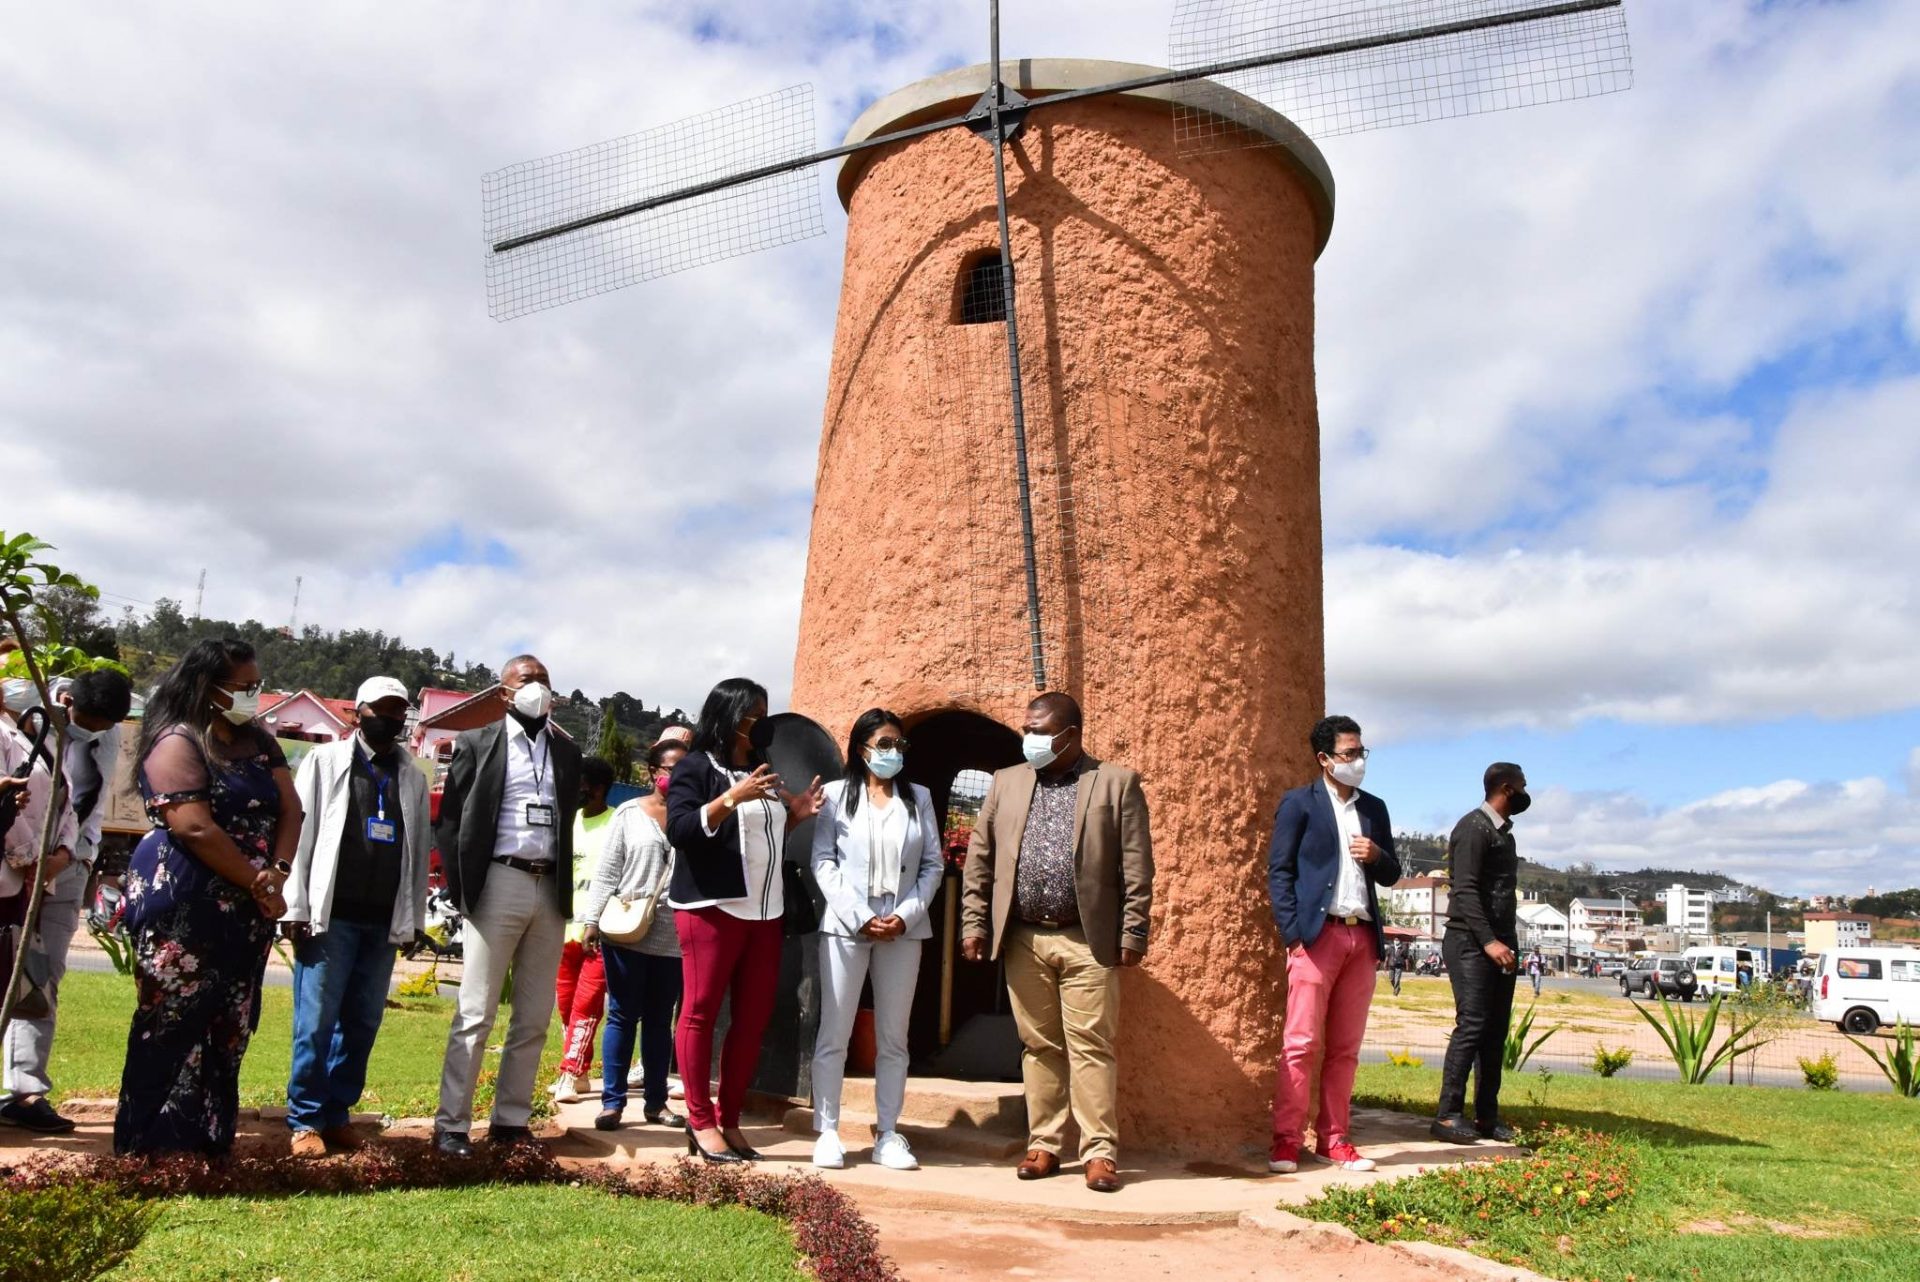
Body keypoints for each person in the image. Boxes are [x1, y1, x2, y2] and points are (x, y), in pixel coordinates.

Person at [114, 639, 302, 1156]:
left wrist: (277, 872)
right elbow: (193, 827)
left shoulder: (260, 741)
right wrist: (256, 881)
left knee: (230, 1025)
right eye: (244, 687)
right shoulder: (177, 741)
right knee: (172, 1021)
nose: (253, 695)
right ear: (207, 686)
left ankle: (206, 1150)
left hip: (250, 906)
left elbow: (292, 809)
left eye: (256, 685)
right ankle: (150, 1151)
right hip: (186, 901)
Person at [960, 692, 1154, 1193]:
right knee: (1038, 1044)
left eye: (1041, 731)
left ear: (1071, 734)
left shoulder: (1114, 783)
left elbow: (1137, 867)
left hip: (1087, 939)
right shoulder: (1007, 782)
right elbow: (980, 861)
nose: (1031, 739)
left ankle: (1099, 1152)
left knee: (1092, 1045)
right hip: (1024, 937)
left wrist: (1134, 930)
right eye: (1027, 730)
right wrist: (974, 923)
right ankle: (1044, 1143)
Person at [664, 677, 821, 1164]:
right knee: (701, 1011)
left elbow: (758, 839)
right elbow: (682, 829)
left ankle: (729, 1118)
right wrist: (735, 796)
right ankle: (700, 1120)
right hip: (712, 908)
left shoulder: (761, 772)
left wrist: (794, 814)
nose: (762, 722)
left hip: (766, 912)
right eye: (756, 713)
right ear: (731, 717)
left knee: (752, 1021)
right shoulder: (695, 768)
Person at [433, 655, 583, 1158]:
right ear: (504, 693)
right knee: (475, 1011)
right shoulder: (476, 744)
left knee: (535, 1015)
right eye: (526, 681)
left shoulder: (566, 752)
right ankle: (452, 1124)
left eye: (544, 680)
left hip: (549, 889)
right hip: (498, 881)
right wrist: (463, 890)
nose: (537, 688)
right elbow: (450, 821)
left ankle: (511, 1122)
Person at [280, 676, 432, 1157]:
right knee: (316, 1022)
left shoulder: (412, 776)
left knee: (363, 1022)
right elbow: (301, 837)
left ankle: (337, 1112)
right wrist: (295, 905)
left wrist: (413, 920)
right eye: (381, 709)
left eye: (398, 711)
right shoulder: (324, 763)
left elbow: (418, 851)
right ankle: (305, 1120)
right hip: (331, 917)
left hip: (382, 921)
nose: (389, 718)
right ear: (357, 713)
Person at [808, 709, 944, 1171]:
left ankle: (889, 1132)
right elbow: (823, 860)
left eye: (899, 746)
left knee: (893, 1036)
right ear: (861, 747)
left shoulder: (918, 797)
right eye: (884, 744)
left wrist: (905, 916)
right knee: (835, 1031)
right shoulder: (834, 795)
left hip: (902, 929)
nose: (892, 753)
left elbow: (933, 864)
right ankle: (827, 1130)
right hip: (848, 924)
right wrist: (859, 914)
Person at [1266, 715, 1402, 1175]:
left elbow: (1392, 873)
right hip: (1316, 937)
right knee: (1300, 1043)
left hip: (1362, 936)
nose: (1358, 760)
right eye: (1350, 753)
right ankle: (1286, 1141)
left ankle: (1334, 1140)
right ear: (1324, 759)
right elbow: (1279, 871)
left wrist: (1377, 855)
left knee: (1345, 1047)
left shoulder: (1375, 808)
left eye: (1362, 752)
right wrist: (1293, 935)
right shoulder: (1299, 804)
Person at [2, 671, 129, 1133]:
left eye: (106, 726)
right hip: (13, 864)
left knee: (42, 975)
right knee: (3, 967)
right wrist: (29, 857)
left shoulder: (108, 731)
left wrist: (73, 855)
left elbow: (89, 803)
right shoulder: (27, 712)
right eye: (89, 721)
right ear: (65, 700)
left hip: (67, 864)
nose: (96, 732)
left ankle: (24, 1091)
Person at [580, 738, 687, 1131]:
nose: (676, 777)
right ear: (652, 772)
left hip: (673, 933)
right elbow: (608, 871)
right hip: (626, 928)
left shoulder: (693, 814)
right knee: (622, 1016)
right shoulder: (628, 814)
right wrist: (592, 920)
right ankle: (612, 1103)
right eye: (670, 769)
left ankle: (656, 1104)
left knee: (660, 1021)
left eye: (684, 770)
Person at [1432, 763, 1528, 1145]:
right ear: (1506, 788)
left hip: (1500, 944)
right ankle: (1447, 1116)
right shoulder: (1474, 828)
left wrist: (1503, 942)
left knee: (1494, 1032)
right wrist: (1489, 941)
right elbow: (1466, 891)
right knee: (1471, 1025)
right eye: (1522, 787)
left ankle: (1486, 1116)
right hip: (1470, 943)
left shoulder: (1504, 833)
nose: (1525, 793)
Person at [551, 756, 617, 1105]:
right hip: (562, 930)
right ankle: (583, 1072)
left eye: (581, 783)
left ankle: (569, 1072)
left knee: (586, 1006)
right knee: (565, 1005)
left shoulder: (615, 823)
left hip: (598, 935)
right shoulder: (568, 821)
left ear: (598, 787)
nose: (575, 790)